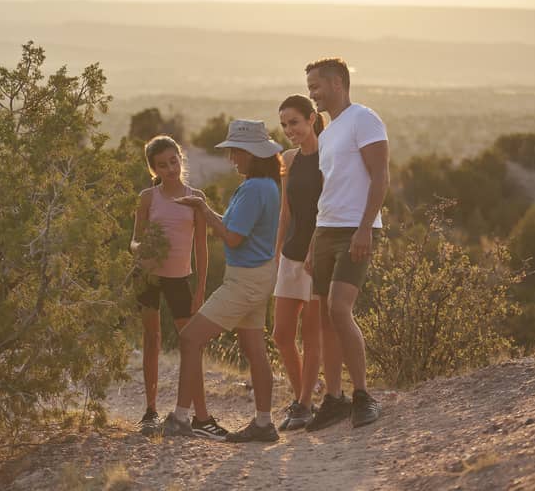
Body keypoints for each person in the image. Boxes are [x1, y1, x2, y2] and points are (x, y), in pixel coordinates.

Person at [162, 119, 283, 443]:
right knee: (253, 347)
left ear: (251, 153)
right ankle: (263, 423)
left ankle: (182, 417)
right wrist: (205, 210)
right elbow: (236, 228)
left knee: (189, 339)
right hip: (259, 276)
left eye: (235, 152)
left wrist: (202, 207)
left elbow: (231, 237)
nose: (232, 158)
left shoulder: (255, 188)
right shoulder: (268, 185)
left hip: (244, 281)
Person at [304, 57, 388, 430]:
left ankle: (363, 396)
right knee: (324, 318)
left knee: (340, 309)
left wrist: (366, 228)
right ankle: (334, 399)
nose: (312, 95)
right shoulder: (329, 131)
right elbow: (330, 188)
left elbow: (380, 176)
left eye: (316, 87)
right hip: (325, 230)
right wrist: (311, 243)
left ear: (337, 83)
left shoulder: (363, 119)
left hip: (355, 229)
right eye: (309, 88)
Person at [130, 135, 208, 436]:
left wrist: (200, 287)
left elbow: (201, 248)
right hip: (147, 277)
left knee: (190, 345)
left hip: (180, 280)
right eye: (162, 165)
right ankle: (150, 410)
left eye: (173, 161)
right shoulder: (147, 198)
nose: (170, 168)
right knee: (152, 340)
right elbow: (134, 239)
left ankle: (196, 415)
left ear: (180, 157)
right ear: (154, 170)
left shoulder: (195, 198)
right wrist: (139, 248)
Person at [272, 95, 325, 431]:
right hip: (290, 256)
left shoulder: (328, 158)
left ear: (311, 119)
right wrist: (277, 253)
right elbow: (285, 213)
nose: (289, 130)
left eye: (294, 122)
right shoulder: (288, 159)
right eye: (284, 124)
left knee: (312, 333)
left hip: (316, 257)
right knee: (281, 334)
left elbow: (329, 210)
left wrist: (314, 251)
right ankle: (301, 398)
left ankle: (304, 404)